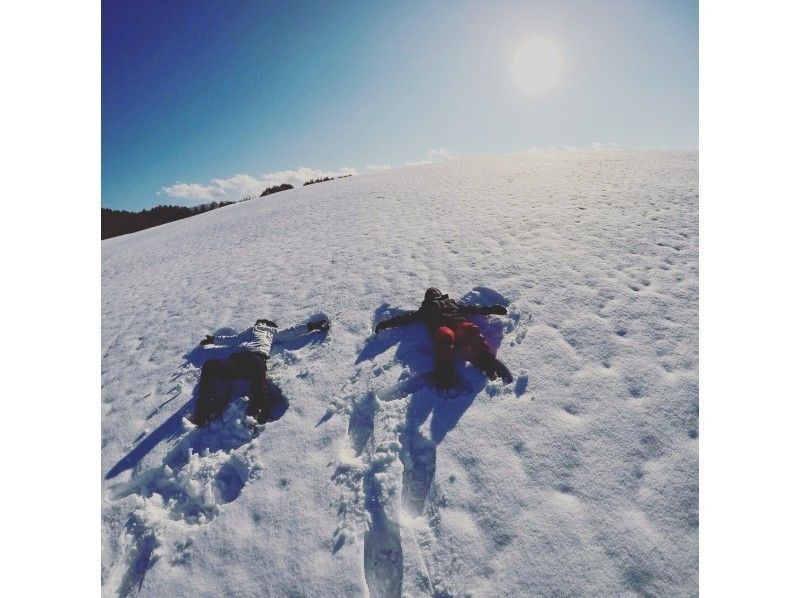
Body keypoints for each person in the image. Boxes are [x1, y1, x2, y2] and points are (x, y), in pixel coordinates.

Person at [190, 317, 330, 426]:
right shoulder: (249, 330)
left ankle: (255, 411)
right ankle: (205, 406)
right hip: (237, 360)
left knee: (258, 372)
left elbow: (291, 332)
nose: (260, 323)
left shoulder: (272, 332)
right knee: (210, 364)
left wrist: (314, 326)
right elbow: (233, 339)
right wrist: (214, 340)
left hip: (255, 359)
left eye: (263, 322)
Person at [374, 287, 508, 388]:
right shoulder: (426, 309)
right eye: (431, 294)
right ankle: (444, 369)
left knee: (471, 330)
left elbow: (473, 308)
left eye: (435, 293)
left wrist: (492, 309)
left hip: (459, 325)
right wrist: (387, 323)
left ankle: (486, 361)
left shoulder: (452, 303)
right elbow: (407, 317)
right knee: (446, 337)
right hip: (443, 327)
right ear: (427, 298)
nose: (434, 295)